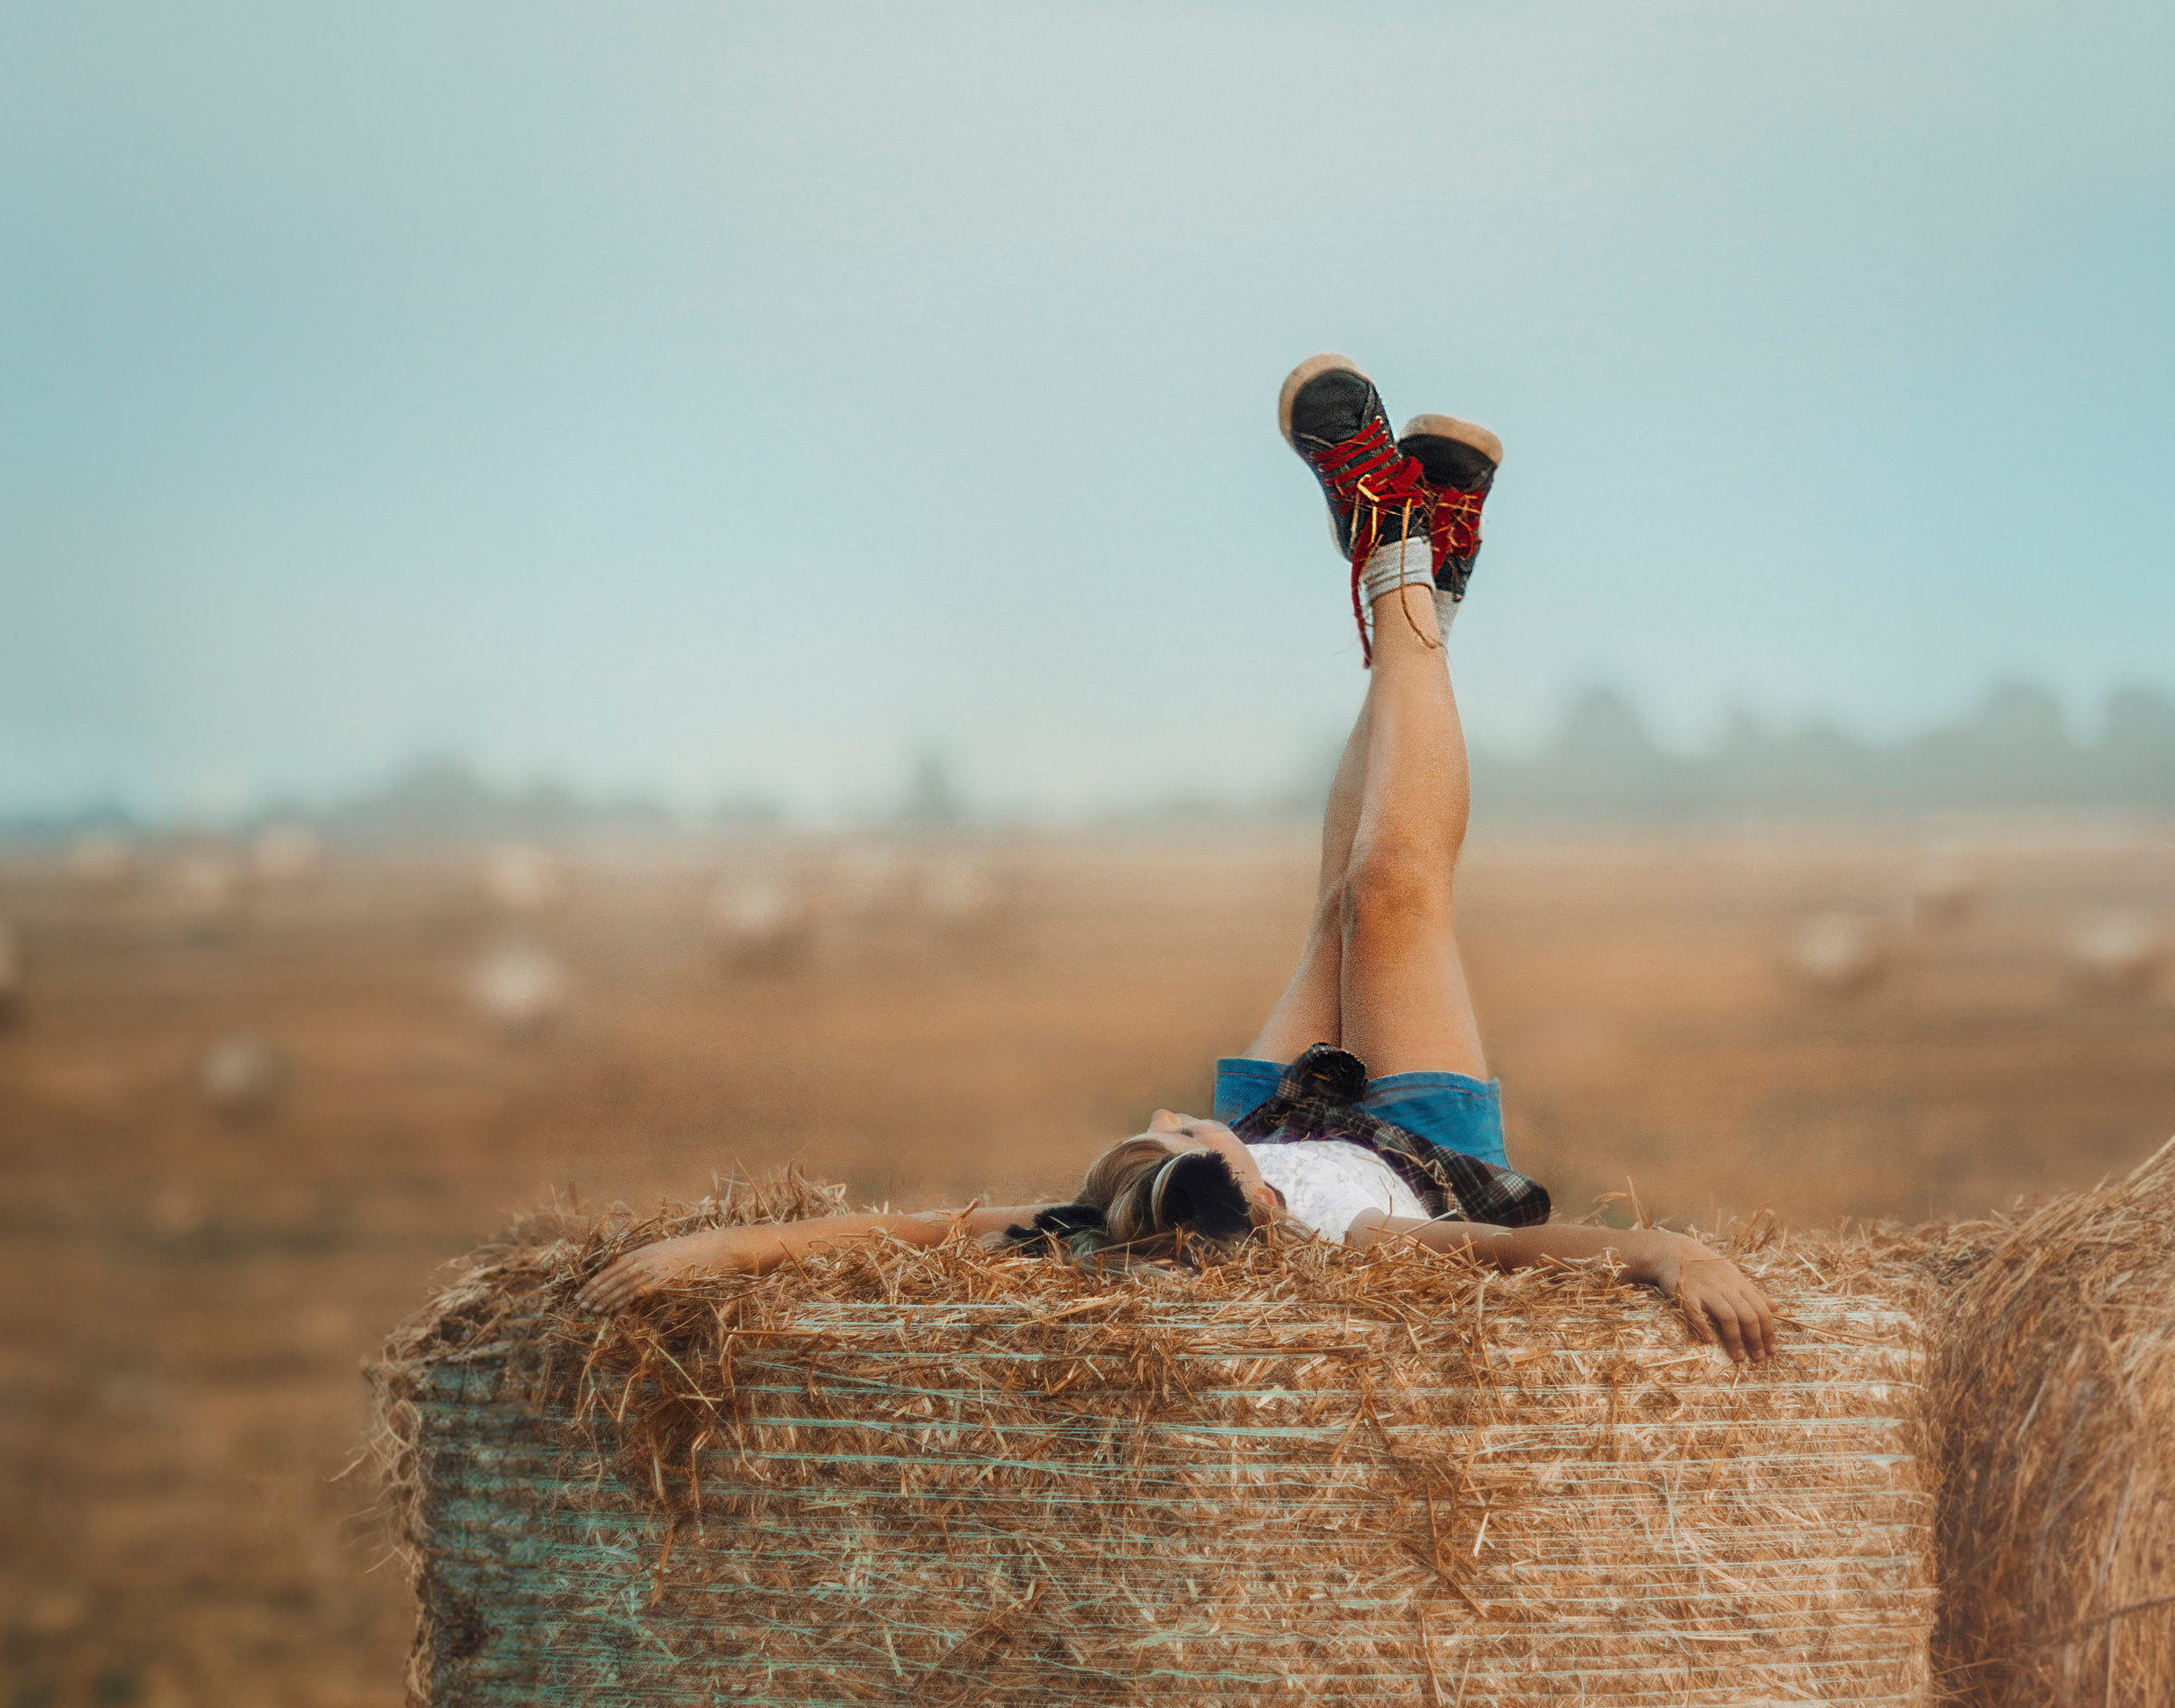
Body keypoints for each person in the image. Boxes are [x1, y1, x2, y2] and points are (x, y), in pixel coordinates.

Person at [581, 356, 1778, 1362]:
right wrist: (1667, 1252)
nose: (1168, 1119)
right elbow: (1518, 1254)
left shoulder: (1110, 1223)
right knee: (1390, 893)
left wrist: (721, 1251)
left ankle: (1414, 563)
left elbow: (908, 1234)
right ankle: (1404, 562)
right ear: (1252, 1193)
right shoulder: (1354, 1239)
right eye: (1184, 1136)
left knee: (1332, 914)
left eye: (1155, 1138)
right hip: (1424, 1142)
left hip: (1279, 1117)